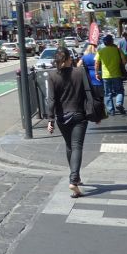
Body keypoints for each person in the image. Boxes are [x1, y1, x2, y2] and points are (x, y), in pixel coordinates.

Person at [45, 46, 91, 198]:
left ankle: (75, 176)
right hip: (79, 114)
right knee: (77, 146)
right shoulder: (79, 72)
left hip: (62, 117)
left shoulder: (52, 75)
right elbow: (88, 92)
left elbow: (51, 99)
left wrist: (50, 119)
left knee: (69, 146)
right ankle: (74, 180)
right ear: (69, 59)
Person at [95, 34, 127, 115]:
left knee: (107, 93)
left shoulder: (101, 51)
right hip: (117, 74)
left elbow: (96, 63)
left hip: (105, 76)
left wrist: (96, 73)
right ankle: (119, 103)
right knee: (119, 91)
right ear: (112, 42)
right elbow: (124, 61)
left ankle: (111, 111)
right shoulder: (117, 50)